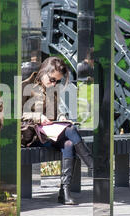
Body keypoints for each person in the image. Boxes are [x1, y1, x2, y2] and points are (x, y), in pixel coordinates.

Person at [21, 56, 94, 205]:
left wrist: (62, 118)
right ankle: (94, 167)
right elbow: (15, 115)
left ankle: (64, 191)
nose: (54, 83)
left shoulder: (52, 90)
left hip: (47, 136)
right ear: (44, 71)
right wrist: (37, 117)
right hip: (30, 138)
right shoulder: (25, 86)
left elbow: (55, 112)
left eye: (57, 81)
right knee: (71, 130)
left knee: (68, 143)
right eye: (52, 79)